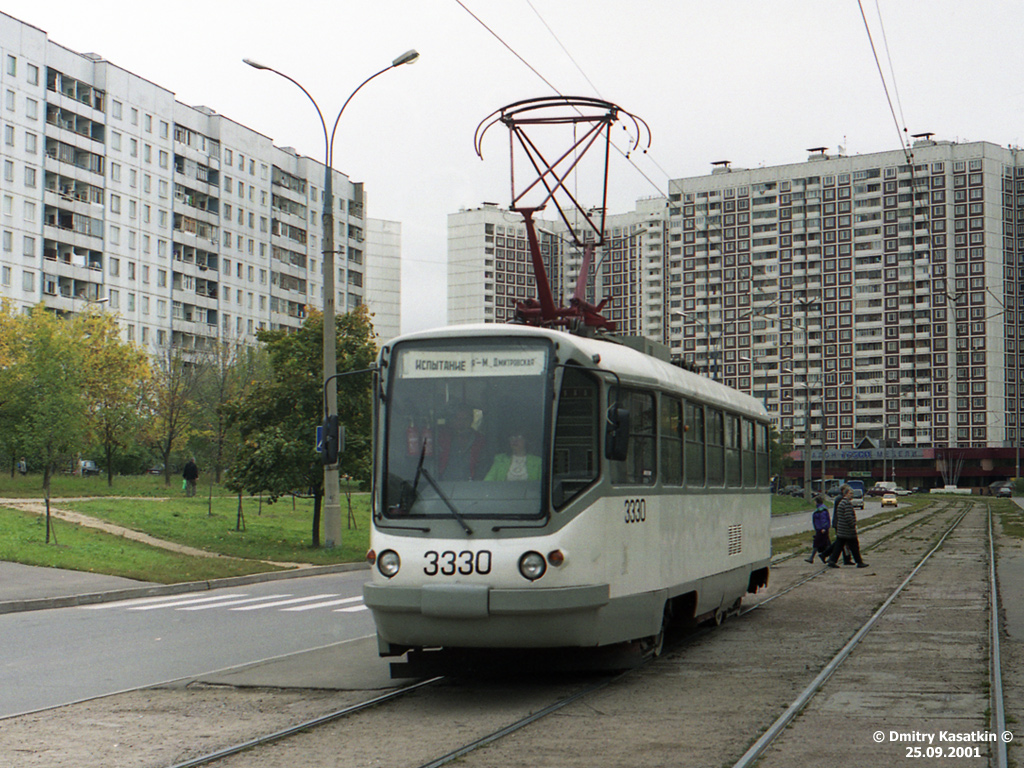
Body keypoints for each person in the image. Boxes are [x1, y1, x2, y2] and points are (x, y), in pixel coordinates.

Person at [436, 405, 487, 480]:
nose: (461, 423)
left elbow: (483, 466)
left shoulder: (480, 440)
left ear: (471, 420)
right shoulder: (442, 438)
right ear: (452, 420)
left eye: (465, 419)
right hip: (442, 486)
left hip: (472, 487)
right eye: (458, 419)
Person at [827, 484, 869, 569]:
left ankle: (832, 560)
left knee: (839, 546)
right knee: (854, 546)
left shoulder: (843, 502)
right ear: (845, 494)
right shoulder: (846, 503)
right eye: (850, 493)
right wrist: (853, 525)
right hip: (847, 530)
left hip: (843, 530)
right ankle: (859, 562)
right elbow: (848, 516)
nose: (852, 495)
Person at [805, 495, 831, 564]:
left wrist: (823, 528)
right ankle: (830, 557)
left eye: (815, 501)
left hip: (821, 529)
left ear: (816, 502)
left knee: (817, 543)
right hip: (821, 529)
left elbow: (823, 519)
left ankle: (812, 558)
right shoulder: (822, 508)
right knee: (826, 543)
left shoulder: (821, 510)